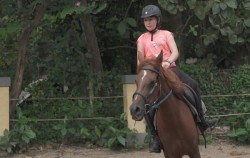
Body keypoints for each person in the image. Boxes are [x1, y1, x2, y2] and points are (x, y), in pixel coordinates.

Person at [136, 4, 218, 153]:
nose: (148, 22)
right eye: (145, 20)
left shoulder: (166, 34)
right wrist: (144, 71)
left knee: (193, 84)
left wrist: (167, 62)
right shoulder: (141, 39)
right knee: (146, 102)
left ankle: (202, 119)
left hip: (170, 69)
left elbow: (175, 52)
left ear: (158, 20)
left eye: (151, 19)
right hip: (153, 74)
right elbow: (140, 59)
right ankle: (155, 137)